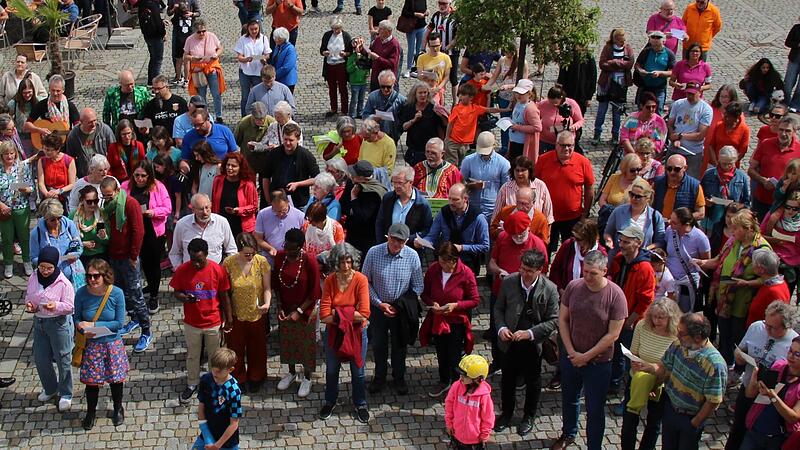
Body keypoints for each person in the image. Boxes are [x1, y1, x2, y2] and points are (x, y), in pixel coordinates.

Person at [551, 250, 627, 450]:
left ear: (604, 271)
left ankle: (594, 445)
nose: (588, 277)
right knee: (569, 399)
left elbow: (613, 335)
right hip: (572, 357)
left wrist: (586, 356)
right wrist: (571, 351)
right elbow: (563, 320)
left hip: (599, 364)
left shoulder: (615, 295)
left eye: (593, 273)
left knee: (594, 409)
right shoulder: (573, 287)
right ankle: (568, 434)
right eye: (585, 271)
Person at [493, 249, 559, 436]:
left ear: (540, 270)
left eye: (529, 270)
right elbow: (498, 309)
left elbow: (553, 320)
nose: (524, 273)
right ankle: (506, 413)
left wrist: (530, 333)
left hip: (533, 345)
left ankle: (528, 416)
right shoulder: (509, 282)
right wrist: (501, 328)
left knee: (533, 382)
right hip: (509, 343)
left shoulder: (550, 289)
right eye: (522, 268)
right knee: (507, 380)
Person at [639, 313, 727, 450]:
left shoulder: (714, 364)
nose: (677, 335)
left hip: (690, 418)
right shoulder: (678, 345)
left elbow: (713, 400)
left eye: (682, 333)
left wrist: (694, 423)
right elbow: (665, 367)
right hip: (670, 409)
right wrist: (654, 385)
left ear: (697, 338)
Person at [695, 209, 771, 367]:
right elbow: (717, 261)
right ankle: (724, 361)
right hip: (724, 299)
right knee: (724, 333)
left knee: (737, 335)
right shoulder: (732, 242)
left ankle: (737, 367)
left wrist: (747, 284)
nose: (732, 231)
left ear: (749, 228)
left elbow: (766, 278)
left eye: (736, 228)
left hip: (742, 302)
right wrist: (701, 263)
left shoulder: (761, 248)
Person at [362, 223, 423, 395]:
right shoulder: (374, 252)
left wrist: (399, 305)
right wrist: (378, 303)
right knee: (379, 344)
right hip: (378, 308)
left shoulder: (412, 256)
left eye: (401, 241)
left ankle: (399, 377)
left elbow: (418, 285)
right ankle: (379, 376)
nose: (396, 244)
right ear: (387, 236)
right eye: (394, 240)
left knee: (400, 346)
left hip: (400, 310)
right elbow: (365, 281)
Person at [170, 238, 233, 403]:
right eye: (193, 260)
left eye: (199, 260)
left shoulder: (217, 270)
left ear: (206, 254)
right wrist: (184, 297)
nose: (196, 264)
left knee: (215, 356)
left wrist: (229, 318)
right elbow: (176, 291)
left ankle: (216, 383)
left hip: (213, 322)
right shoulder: (183, 270)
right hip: (192, 323)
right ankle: (192, 383)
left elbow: (224, 296)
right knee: (193, 355)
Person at [319, 243, 371, 423]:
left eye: (349, 262)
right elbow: (324, 315)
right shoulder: (330, 281)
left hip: (357, 333)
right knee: (332, 369)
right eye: (342, 263)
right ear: (335, 263)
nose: (346, 267)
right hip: (334, 333)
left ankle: (361, 403)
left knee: (358, 370)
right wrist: (349, 313)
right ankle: (330, 400)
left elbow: (364, 313)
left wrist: (338, 312)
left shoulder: (361, 280)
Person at [74, 259, 128, 430]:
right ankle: (91, 412)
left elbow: (119, 323)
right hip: (92, 345)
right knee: (92, 382)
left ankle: (118, 408)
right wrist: (82, 328)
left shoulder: (116, 293)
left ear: (105, 276)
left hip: (111, 343)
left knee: (115, 380)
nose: (92, 279)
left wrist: (93, 326)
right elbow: (76, 317)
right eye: (89, 276)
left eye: (96, 276)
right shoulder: (81, 294)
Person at [620, 297, 680, 450]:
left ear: (671, 318)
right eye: (654, 316)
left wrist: (652, 369)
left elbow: (671, 365)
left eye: (661, 317)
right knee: (629, 420)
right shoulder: (642, 325)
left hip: (661, 383)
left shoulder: (676, 336)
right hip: (638, 378)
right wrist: (635, 364)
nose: (657, 320)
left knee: (654, 422)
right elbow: (634, 350)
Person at [420, 242, 479, 397]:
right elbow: (425, 293)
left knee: (454, 354)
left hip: (456, 322)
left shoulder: (466, 273)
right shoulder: (434, 270)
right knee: (441, 351)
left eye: (446, 262)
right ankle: (444, 380)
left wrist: (456, 305)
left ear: (454, 260)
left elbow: (474, 300)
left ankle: (456, 384)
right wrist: (432, 303)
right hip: (438, 320)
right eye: (441, 262)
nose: (443, 266)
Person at [99, 177, 151, 353]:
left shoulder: (130, 204)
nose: (107, 199)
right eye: (104, 196)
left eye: (109, 195)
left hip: (129, 257)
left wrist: (134, 255)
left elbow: (138, 231)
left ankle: (146, 330)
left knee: (136, 294)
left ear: (117, 191)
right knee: (121, 292)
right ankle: (134, 318)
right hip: (114, 256)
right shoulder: (107, 207)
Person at [24, 246, 75, 413]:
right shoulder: (33, 277)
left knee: (63, 358)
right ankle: (50, 388)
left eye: (49, 268)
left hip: (58, 323)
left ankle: (66, 393)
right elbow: (28, 295)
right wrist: (29, 304)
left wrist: (57, 306)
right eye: (42, 267)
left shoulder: (63, 283)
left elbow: (70, 307)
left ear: (55, 267)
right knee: (40, 358)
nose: (45, 271)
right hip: (39, 322)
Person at [608, 225, 656, 391]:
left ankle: (628, 390)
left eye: (626, 242)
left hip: (631, 321)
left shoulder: (645, 268)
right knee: (614, 352)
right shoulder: (619, 259)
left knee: (630, 356)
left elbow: (646, 300)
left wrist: (630, 321)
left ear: (638, 243)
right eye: (621, 241)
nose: (621, 244)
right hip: (616, 315)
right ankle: (613, 383)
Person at [272, 228, 320, 397]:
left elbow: (315, 292)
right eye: (287, 247)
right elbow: (276, 285)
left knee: (305, 345)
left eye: (293, 249)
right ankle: (291, 373)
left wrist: (299, 311)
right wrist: (279, 307)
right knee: (288, 343)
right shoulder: (279, 257)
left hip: (305, 310)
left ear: (300, 247)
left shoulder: (309, 260)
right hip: (285, 308)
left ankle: (307, 377)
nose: (289, 252)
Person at [121, 161, 172, 313]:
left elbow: (167, 207)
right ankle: (147, 287)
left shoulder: (158, 186)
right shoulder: (125, 186)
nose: (140, 179)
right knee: (139, 263)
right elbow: (119, 205)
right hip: (134, 232)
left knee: (153, 265)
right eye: (137, 175)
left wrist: (154, 212)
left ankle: (154, 296)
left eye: (143, 176)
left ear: (149, 175)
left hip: (153, 232)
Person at [222, 233, 271, 393]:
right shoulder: (228, 263)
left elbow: (266, 288)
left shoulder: (261, 262)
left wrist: (267, 303)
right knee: (235, 348)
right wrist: (226, 316)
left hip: (256, 314)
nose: (250, 257)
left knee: (257, 348)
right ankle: (238, 377)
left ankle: (257, 376)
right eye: (246, 254)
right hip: (236, 315)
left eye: (252, 253)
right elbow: (225, 292)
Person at [535, 130, 595, 254]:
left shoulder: (583, 162)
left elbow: (589, 188)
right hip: (548, 216)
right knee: (545, 248)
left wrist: (585, 212)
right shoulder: (543, 160)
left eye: (570, 145)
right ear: (556, 145)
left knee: (572, 250)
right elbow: (535, 185)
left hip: (572, 218)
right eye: (563, 145)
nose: (566, 148)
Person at [739, 335, 800, 450]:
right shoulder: (778, 366)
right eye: (790, 351)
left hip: (778, 440)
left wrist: (772, 397)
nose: (790, 357)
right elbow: (750, 394)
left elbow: (793, 417)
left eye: (797, 354)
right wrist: (754, 381)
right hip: (754, 431)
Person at [419, 183, 489, 275]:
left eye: (455, 200)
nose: (451, 202)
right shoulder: (443, 213)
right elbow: (432, 236)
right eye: (450, 198)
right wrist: (422, 242)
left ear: (465, 199)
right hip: (444, 262)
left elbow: (485, 246)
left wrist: (462, 248)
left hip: (467, 264)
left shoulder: (478, 217)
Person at [750, 116, 800, 220]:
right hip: (761, 199)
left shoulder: (799, 150)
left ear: (794, 132)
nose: (783, 134)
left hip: (785, 204)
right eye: (781, 130)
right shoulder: (766, 143)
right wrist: (762, 180)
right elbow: (751, 170)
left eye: (788, 131)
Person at [191, 348, 242, 450]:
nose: (214, 374)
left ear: (230, 370)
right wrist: (207, 437)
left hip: (227, 442)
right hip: (207, 433)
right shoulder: (206, 379)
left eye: (218, 371)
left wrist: (216, 446)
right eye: (213, 369)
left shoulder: (234, 391)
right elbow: (201, 406)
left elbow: (234, 423)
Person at [445, 83, 507, 165]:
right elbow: (450, 123)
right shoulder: (457, 108)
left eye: (463, 94)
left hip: (465, 143)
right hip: (453, 141)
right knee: (452, 164)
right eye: (459, 94)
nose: (460, 96)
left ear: (471, 97)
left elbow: (490, 110)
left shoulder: (475, 108)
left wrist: (506, 110)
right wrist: (447, 138)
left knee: (463, 163)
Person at [170, 193, 237, 267]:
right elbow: (175, 253)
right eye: (201, 209)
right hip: (190, 273)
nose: (205, 212)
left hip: (215, 273)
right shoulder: (182, 225)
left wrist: (224, 270)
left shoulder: (222, 222)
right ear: (193, 209)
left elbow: (231, 250)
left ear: (211, 205)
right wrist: (181, 271)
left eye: (207, 207)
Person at [592, 28, 634, 146]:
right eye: (619, 40)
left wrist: (614, 62)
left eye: (623, 40)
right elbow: (602, 64)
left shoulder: (628, 48)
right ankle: (597, 134)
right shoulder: (608, 48)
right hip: (606, 84)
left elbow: (629, 64)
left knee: (617, 113)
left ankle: (615, 136)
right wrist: (618, 65)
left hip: (621, 86)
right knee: (601, 111)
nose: (621, 42)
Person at [261, 123, 319, 208]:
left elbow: (318, 179)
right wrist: (268, 199)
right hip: (277, 201)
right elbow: (266, 177)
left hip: (299, 203)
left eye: (291, 140)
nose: (287, 143)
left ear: (298, 139)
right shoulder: (274, 154)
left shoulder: (306, 156)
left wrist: (298, 184)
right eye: (285, 139)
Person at [665, 207, 711, 313]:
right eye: (670, 220)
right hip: (669, 282)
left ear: (685, 224)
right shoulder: (669, 231)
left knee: (684, 315)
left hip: (687, 283)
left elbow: (706, 263)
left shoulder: (700, 238)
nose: (670, 223)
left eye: (674, 223)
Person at [486, 46, 530, 154]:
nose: (508, 54)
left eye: (510, 52)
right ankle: (505, 146)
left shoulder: (522, 62)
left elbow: (525, 81)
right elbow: (495, 76)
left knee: (515, 122)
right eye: (506, 52)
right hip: (503, 96)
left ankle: (514, 146)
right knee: (504, 122)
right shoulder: (502, 60)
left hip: (517, 97)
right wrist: (487, 86)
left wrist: (509, 86)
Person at [444, 354, 495, 448]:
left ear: (477, 378)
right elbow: (449, 404)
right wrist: (449, 423)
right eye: (461, 374)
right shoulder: (456, 386)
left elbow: (488, 416)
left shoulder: (484, 396)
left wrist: (485, 434)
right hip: (457, 434)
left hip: (475, 439)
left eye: (465, 376)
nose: (461, 378)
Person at [0, 141, 34, 277]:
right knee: (7, 238)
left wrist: (25, 189)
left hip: (21, 207)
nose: (9, 156)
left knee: (24, 237)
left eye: (12, 153)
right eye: (6, 154)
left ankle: (27, 262)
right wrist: (1, 205)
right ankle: (8, 264)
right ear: (1, 155)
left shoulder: (21, 167)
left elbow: (31, 186)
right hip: (4, 210)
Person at [604, 177, 666, 251]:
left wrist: (646, 249)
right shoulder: (619, 211)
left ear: (647, 199)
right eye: (631, 194)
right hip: (618, 255)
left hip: (642, 257)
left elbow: (660, 241)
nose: (633, 198)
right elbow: (607, 232)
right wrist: (609, 241)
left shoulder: (655, 216)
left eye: (638, 196)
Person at [460, 132, 511, 223]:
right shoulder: (468, 160)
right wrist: (472, 185)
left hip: (493, 209)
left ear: (494, 146)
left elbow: (506, 188)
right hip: (471, 208)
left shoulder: (503, 164)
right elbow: (459, 184)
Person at [700, 146, 751, 235]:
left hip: (732, 221)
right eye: (724, 163)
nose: (727, 166)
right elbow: (699, 196)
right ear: (719, 159)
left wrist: (737, 206)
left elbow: (747, 202)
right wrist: (705, 201)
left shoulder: (741, 177)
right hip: (711, 218)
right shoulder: (709, 174)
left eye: (730, 163)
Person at [375, 166, 432, 243]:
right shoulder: (388, 199)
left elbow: (426, 229)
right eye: (394, 182)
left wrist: (409, 239)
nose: (396, 186)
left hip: (410, 247)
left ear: (411, 182)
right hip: (387, 245)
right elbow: (380, 223)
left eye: (400, 183)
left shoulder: (422, 204)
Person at [30, 199, 83, 282]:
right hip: (50, 278)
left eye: (59, 218)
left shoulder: (70, 225)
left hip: (72, 275)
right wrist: (48, 263)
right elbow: (34, 258)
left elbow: (78, 246)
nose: (57, 222)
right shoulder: (36, 233)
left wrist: (74, 255)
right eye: (52, 220)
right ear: (45, 218)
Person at [667, 84, 713, 179]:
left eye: (692, 94)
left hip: (692, 152)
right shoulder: (678, 104)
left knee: (690, 181)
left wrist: (680, 136)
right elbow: (670, 124)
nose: (689, 96)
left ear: (699, 93)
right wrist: (672, 136)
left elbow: (700, 135)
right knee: (668, 178)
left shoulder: (706, 109)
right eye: (688, 93)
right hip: (674, 149)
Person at [341, 160, 387, 256]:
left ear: (362, 177)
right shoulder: (351, 183)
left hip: (366, 237)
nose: (351, 176)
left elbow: (361, 217)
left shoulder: (373, 193)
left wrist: (354, 198)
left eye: (354, 174)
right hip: (351, 233)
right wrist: (351, 211)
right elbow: (343, 204)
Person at [184, 19, 226, 122]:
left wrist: (216, 55)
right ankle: (205, 116)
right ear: (195, 31)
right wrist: (193, 58)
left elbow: (220, 48)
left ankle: (218, 116)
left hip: (211, 69)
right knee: (201, 96)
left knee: (216, 93)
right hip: (199, 72)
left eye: (204, 31)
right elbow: (185, 56)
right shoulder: (189, 40)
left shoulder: (211, 36)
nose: (202, 33)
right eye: (199, 32)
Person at [762, 190, 800, 302]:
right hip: (774, 259)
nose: (790, 211)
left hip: (793, 263)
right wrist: (774, 240)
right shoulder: (774, 215)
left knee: (784, 297)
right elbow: (760, 234)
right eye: (788, 207)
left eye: (795, 209)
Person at [397, 83, 448, 166]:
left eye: (425, 92)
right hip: (414, 148)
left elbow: (444, 126)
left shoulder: (433, 107)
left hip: (429, 149)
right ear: (415, 94)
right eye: (420, 93)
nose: (423, 95)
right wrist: (413, 120)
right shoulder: (409, 107)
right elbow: (403, 127)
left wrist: (441, 116)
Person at [211, 153, 258, 238]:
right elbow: (214, 203)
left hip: (241, 227)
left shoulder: (248, 184)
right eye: (228, 165)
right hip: (221, 226)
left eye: (233, 166)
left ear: (240, 168)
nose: (229, 168)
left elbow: (254, 206)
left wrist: (238, 210)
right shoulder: (218, 180)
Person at [652, 154, 706, 222]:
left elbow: (701, 213)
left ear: (685, 168)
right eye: (669, 168)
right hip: (658, 225)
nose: (672, 172)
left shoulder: (694, 186)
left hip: (681, 229)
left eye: (677, 169)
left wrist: (678, 220)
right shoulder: (657, 183)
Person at [422, 0, 458, 102]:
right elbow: (428, 30)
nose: (442, 6)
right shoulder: (436, 16)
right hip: (438, 52)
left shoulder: (455, 17)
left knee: (453, 78)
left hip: (452, 52)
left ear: (449, 4)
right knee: (438, 77)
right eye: (440, 4)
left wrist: (448, 47)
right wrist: (422, 47)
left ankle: (454, 102)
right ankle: (440, 101)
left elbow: (458, 36)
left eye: (444, 4)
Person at [64, 108, 115, 179]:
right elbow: (70, 158)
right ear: (81, 122)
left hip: (104, 174)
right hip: (85, 175)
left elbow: (114, 151)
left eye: (95, 120)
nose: (94, 124)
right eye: (90, 122)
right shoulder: (73, 136)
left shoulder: (105, 130)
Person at [254, 190, 305, 260]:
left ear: (288, 202)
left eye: (283, 210)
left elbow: (304, 239)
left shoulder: (300, 216)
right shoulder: (262, 214)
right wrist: (269, 248)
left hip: (292, 258)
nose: (280, 214)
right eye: (276, 211)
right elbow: (258, 238)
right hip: (270, 257)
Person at [633, 31, 676, 113]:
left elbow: (672, 71)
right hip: (645, 86)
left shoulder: (669, 54)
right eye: (653, 38)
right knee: (642, 111)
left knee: (658, 111)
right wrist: (640, 70)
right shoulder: (646, 51)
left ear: (663, 41)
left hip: (659, 88)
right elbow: (637, 65)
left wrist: (660, 73)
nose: (655, 41)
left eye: (658, 38)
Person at [702, 102, 750, 174]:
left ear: (736, 117)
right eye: (725, 115)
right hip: (715, 164)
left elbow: (742, 152)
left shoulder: (744, 129)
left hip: (731, 167)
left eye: (729, 117)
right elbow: (711, 145)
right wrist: (715, 162)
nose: (725, 118)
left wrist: (728, 164)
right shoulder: (719, 125)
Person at [235, 22, 271, 117]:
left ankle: (259, 116)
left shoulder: (263, 38)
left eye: (256, 29)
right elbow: (239, 56)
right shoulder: (243, 39)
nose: (254, 31)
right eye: (252, 29)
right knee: (245, 96)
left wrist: (264, 58)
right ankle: (244, 117)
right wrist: (246, 59)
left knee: (258, 96)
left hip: (258, 72)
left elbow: (267, 54)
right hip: (245, 72)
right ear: (248, 29)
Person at [747, 249, 791, 326]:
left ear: (761, 269)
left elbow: (777, 322)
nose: (752, 265)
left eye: (753, 263)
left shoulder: (773, 291)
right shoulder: (777, 283)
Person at [320, 16, 353, 117]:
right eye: (334, 28)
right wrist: (324, 53)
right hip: (330, 65)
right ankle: (333, 108)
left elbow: (350, 52)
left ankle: (344, 110)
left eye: (338, 28)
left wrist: (345, 54)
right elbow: (322, 50)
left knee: (343, 88)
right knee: (332, 88)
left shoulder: (346, 36)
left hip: (341, 65)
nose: (336, 31)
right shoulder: (327, 35)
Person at [536, 86, 584, 153]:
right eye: (550, 102)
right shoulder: (542, 104)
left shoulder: (571, 103)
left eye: (555, 103)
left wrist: (574, 127)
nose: (553, 105)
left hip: (565, 141)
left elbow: (580, 120)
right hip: (544, 141)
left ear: (561, 98)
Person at [70, 185, 108, 268]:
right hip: (80, 257)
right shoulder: (74, 215)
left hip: (99, 256)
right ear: (82, 200)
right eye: (89, 202)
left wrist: (103, 237)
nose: (93, 204)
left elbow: (107, 241)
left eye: (96, 201)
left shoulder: (101, 214)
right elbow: (68, 240)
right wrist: (82, 244)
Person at [37, 134, 77, 209]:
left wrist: (58, 191)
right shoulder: (42, 161)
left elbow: (72, 184)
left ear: (57, 149)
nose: (46, 152)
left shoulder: (69, 160)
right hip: (48, 196)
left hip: (64, 196)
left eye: (49, 150)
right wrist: (47, 194)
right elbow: (40, 183)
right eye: (44, 149)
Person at [362, 70, 406, 138]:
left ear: (393, 84)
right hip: (375, 135)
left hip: (392, 136)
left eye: (388, 87)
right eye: (382, 86)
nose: (385, 89)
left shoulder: (401, 100)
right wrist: (373, 117)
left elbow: (405, 120)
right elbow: (365, 115)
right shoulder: (372, 96)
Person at [507, 79, 543, 161]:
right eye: (517, 93)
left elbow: (537, 127)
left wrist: (517, 127)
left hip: (522, 144)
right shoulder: (518, 103)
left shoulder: (530, 109)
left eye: (521, 93)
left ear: (529, 94)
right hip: (514, 140)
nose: (518, 95)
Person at [167, 0, 200, 87]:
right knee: (178, 59)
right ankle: (178, 77)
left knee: (186, 59)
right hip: (178, 35)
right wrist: (174, 9)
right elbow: (169, 13)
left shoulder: (192, 1)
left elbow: (198, 12)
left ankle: (187, 78)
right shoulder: (173, 2)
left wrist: (191, 14)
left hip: (189, 35)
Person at [556, 46, 597, 116]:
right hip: (568, 93)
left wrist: (589, 96)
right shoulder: (568, 56)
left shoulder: (588, 57)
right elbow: (562, 75)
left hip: (582, 95)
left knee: (579, 116)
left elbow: (593, 77)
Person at [415, 32, 452, 106]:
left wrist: (438, 88)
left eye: (437, 46)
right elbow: (419, 75)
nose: (435, 48)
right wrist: (424, 76)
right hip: (425, 88)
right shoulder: (422, 58)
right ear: (428, 45)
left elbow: (447, 76)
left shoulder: (446, 58)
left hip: (439, 88)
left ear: (441, 44)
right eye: (432, 46)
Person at [5, 78, 42, 153]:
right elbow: (6, 120)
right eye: (24, 92)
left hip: (37, 137)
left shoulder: (39, 103)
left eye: (29, 92)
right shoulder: (13, 104)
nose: (27, 95)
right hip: (21, 137)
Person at [363, 22, 401, 92]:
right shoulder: (378, 40)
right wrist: (362, 48)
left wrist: (378, 58)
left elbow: (392, 64)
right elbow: (370, 51)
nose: (378, 31)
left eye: (381, 29)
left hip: (386, 80)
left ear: (389, 31)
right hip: (375, 77)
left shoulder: (394, 45)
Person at [138, 0, 166, 85]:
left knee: (153, 58)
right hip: (156, 36)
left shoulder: (142, 4)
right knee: (158, 60)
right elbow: (157, 22)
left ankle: (150, 81)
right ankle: (156, 85)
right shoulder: (153, 5)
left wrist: (162, 21)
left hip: (147, 36)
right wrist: (163, 33)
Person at [399, 0, 427, 77]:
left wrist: (426, 13)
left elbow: (424, 9)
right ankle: (408, 68)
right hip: (411, 27)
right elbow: (404, 12)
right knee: (411, 49)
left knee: (419, 49)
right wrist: (416, 14)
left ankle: (417, 68)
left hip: (421, 26)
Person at [347, 36, 371, 118]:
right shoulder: (352, 57)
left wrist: (367, 73)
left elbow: (367, 66)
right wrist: (354, 63)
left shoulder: (364, 57)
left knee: (361, 99)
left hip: (363, 82)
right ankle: (352, 113)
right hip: (355, 82)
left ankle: (360, 112)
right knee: (354, 99)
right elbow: (348, 69)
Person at [269, 28, 299, 93]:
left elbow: (287, 67)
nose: (275, 39)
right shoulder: (277, 47)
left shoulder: (290, 49)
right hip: (278, 80)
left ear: (282, 38)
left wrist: (274, 75)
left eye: (277, 38)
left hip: (287, 81)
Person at [786, 17, 800, 110]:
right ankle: (785, 102)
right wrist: (798, 45)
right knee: (788, 82)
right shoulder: (796, 28)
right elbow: (787, 42)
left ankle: (795, 104)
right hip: (794, 59)